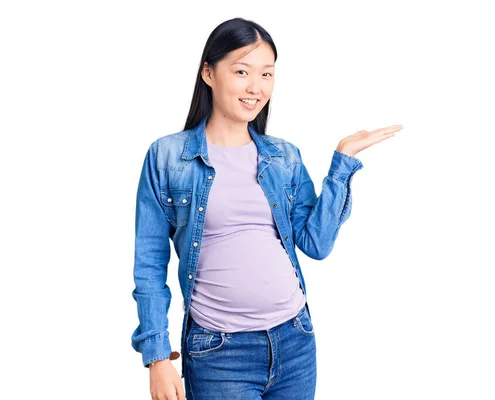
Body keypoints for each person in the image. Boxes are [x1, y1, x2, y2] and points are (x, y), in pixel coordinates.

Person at [131, 17, 402, 400]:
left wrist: (342, 164)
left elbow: (317, 244)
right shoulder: (168, 157)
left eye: (267, 74)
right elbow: (148, 262)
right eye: (241, 71)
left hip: (295, 341)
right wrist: (157, 357)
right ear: (208, 73)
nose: (255, 88)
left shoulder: (283, 157)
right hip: (219, 353)